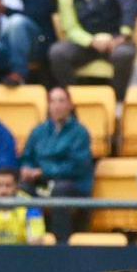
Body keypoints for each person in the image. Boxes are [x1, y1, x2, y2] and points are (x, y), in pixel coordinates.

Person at [48, 0, 137, 95]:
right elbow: (71, 28)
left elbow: (129, 3)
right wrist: (91, 42)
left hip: (115, 40)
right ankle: (73, 99)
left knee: (124, 54)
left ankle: (118, 100)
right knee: (57, 53)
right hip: (86, 45)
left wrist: (123, 35)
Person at [18, 85, 91, 243]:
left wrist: (44, 171)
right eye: (53, 101)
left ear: (70, 105)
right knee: (22, 189)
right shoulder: (39, 131)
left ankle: (60, 244)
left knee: (60, 191)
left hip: (71, 184)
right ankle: (29, 239)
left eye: (61, 101)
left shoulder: (80, 133)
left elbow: (77, 166)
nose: (57, 106)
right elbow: (27, 157)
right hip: (40, 183)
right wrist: (26, 169)